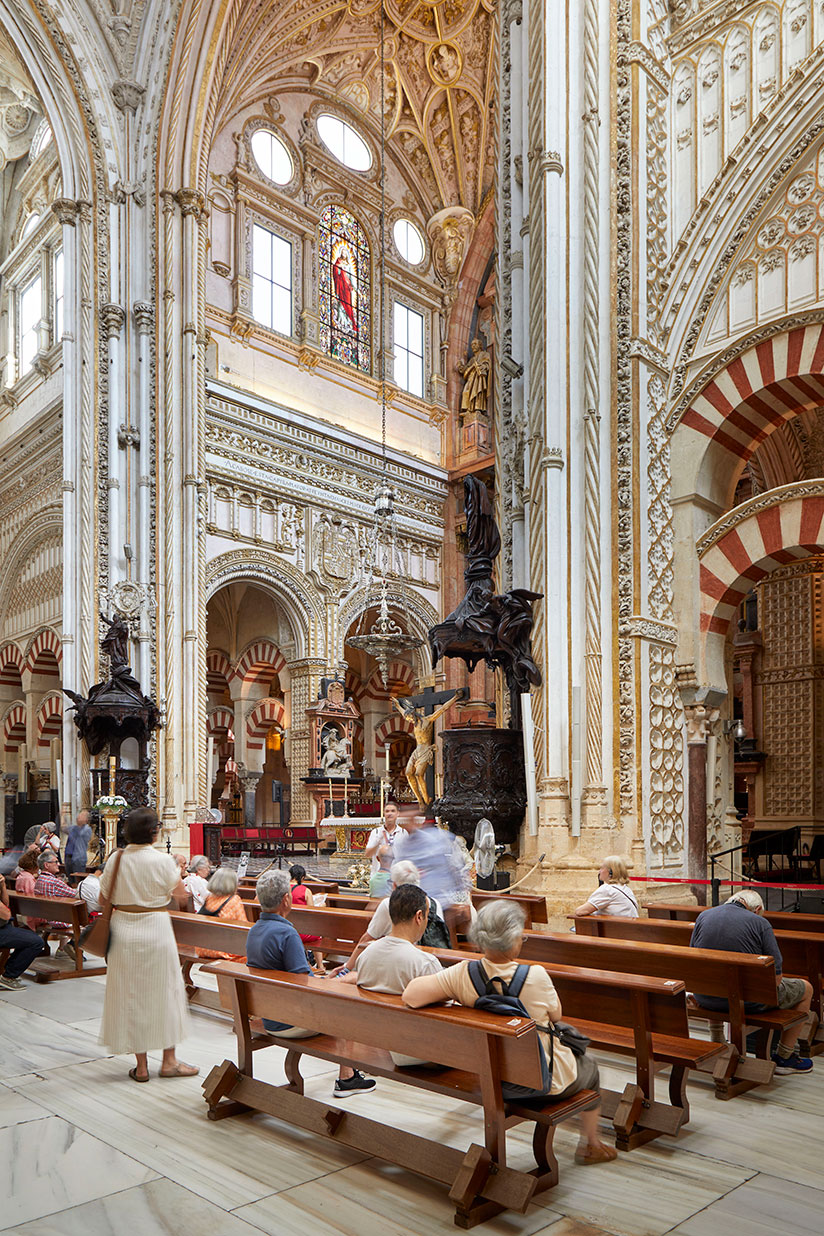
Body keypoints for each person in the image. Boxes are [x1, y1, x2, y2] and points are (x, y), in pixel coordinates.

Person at [403, 900, 617, 1166]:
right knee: (590, 1067)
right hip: (540, 1082)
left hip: (488, 1078)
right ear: (514, 938)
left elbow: (411, 996)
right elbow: (556, 1017)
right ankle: (591, 1145)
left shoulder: (462, 974)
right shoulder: (535, 976)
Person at [246, 869, 376, 1098]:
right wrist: (342, 979)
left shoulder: (255, 930)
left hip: (269, 1015)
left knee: (341, 980)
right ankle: (347, 1076)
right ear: (286, 899)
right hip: (290, 1021)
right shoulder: (286, 933)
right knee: (351, 996)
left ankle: (350, 1071)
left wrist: (327, 977)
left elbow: (298, 978)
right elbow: (306, 985)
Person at [99, 807, 198, 1083]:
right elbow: (180, 897)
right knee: (166, 992)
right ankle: (169, 1061)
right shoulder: (165, 861)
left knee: (131, 993)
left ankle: (141, 1067)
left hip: (123, 929)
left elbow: (101, 899)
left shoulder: (116, 859)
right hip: (156, 927)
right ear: (155, 832)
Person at [690, 890, 814, 1074]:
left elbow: (694, 959)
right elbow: (776, 977)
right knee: (807, 988)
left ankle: (717, 1039)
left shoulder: (703, 916)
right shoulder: (760, 923)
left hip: (706, 997)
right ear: (756, 909)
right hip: (749, 1001)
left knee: (716, 977)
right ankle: (785, 1057)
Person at [351, 883, 443, 1066]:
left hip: (377, 1043)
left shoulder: (365, 955)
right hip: (417, 1051)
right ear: (419, 916)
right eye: (427, 916)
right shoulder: (425, 963)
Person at [332, 859, 448, 973]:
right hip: (433, 960)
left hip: (404, 963)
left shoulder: (390, 904)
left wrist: (347, 968)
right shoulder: (435, 903)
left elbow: (368, 937)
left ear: (394, 885)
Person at [396, 806, 472, 939]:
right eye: (405, 819)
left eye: (411, 818)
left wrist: (464, 896)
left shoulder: (435, 838)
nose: (409, 823)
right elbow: (400, 871)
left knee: (446, 936)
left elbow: (455, 867)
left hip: (440, 900)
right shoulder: (404, 844)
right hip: (417, 900)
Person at [0, 871, 47, 989]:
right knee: (36, 942)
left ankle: (7, 970)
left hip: (4, 926)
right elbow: (6, 914)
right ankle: (8, 976)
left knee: (27, 936)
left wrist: (3, 886)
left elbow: (6, 904)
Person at [195, 866, 248, 961]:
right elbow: (244, 926)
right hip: (221, 950)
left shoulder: (209, 898)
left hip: (202, 948)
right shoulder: (234, 900)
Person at [33, 851, 77, 957]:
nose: (58, 864)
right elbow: (75, 894)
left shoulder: (39, 880)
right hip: (58, 919)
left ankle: (62, 949)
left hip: (46, 916)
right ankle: (73, 945)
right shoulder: (54, 882)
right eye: (55, 862)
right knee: (90, 920)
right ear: (46, 865)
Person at [365, 800, 406, 897]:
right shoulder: (376, 832)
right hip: (379, 877)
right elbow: (367, 854)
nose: (390, 814)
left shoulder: (403, 833)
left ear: (397, 814)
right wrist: (377, 841)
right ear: (383, 814)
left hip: (397, 878)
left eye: (392, 811)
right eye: (387, 811)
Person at [574, 856, 639, 919]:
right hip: (630, 927)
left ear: (610, 872)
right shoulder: (626, 888)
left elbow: (580, 911)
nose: (599, 871)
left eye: (602, 868)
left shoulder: (607, 889)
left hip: (617, 928)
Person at [289, 864, 324, 973]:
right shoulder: (305, 891)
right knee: (317, 936)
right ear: (302, 878)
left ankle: (308, 962)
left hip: (289, 929)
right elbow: (311, 911)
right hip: (302, 932)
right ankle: (321, 966)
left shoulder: (283, 889)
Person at [14, 850, 40, 928]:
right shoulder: (28, 879)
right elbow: (33, 897)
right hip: (32, 914)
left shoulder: (21, 876)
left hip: (23, 910)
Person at [64, 810, 93, 877]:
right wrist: (63, 816)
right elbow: (64, 829)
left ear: (86, 819)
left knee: (78, 878)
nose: (78, 817)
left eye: (81, 815)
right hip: (68, 856)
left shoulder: (87, 829)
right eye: (79, 815)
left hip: (78, 858)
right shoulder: (73, 828)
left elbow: (80, 833)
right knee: (69, 878)